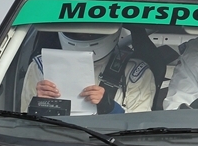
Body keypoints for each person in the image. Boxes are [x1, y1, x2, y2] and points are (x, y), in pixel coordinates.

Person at [20, 27, 155, 114]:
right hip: (56, 143)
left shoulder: (135, 72)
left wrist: (108, 106)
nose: (83, 33)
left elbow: (139, 125)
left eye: (91, 30)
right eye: (78, 28)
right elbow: (24, 121)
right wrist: (39, 103)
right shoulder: (41, 66)